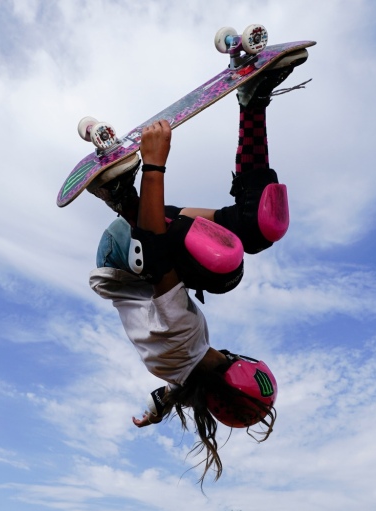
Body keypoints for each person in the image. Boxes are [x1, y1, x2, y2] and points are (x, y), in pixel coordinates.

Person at [87, 50, 308, 483]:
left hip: (125, 250)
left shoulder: (184, 339)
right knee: (258, 225)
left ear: (237, 359)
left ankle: (118, 195)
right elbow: (177, 392)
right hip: (139, 252)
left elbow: (156, 249)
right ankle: (253, 102)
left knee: (225, 266)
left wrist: (154, 161)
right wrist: (154, 412)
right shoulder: (186, 370)